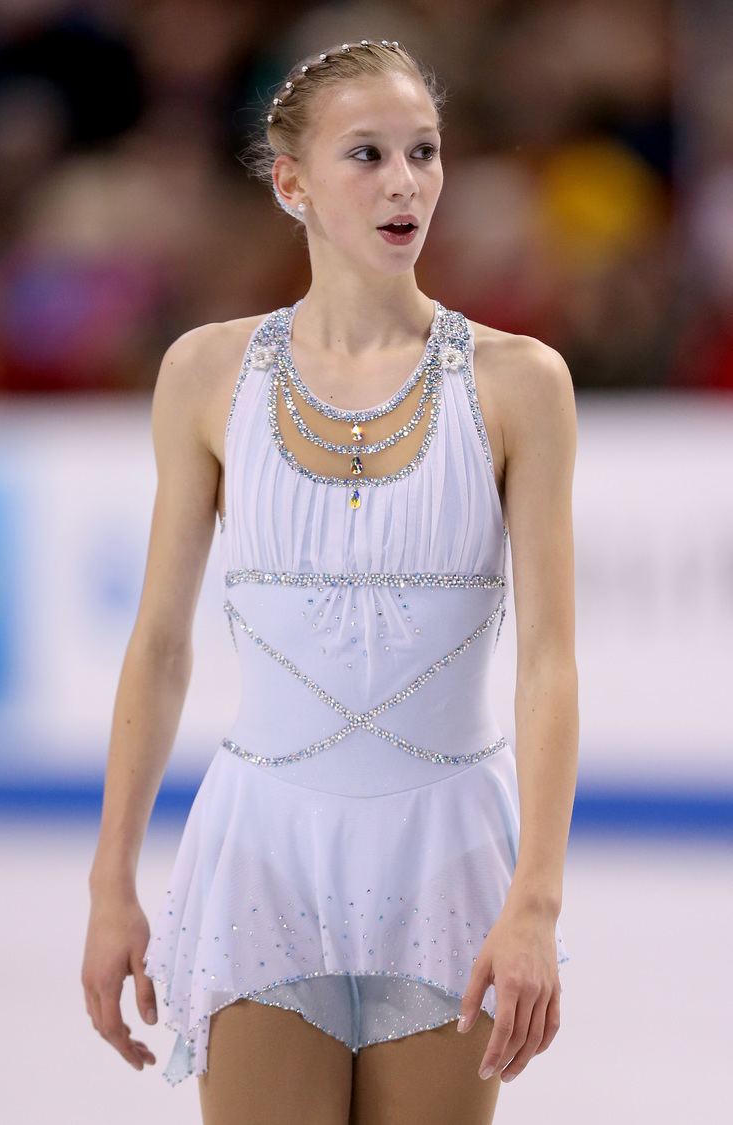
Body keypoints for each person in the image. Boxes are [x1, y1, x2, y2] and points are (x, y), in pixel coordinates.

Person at [82, 38, 578, 1125]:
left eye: (424, 152)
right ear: (291, 181)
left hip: (446, 854)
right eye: (368, 154)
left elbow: (547, 660)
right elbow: (161, 643)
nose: (406, 182)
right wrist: (109, 878)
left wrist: (535, 899)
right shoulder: (207, 373)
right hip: (263, 852)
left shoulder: (519, 383)